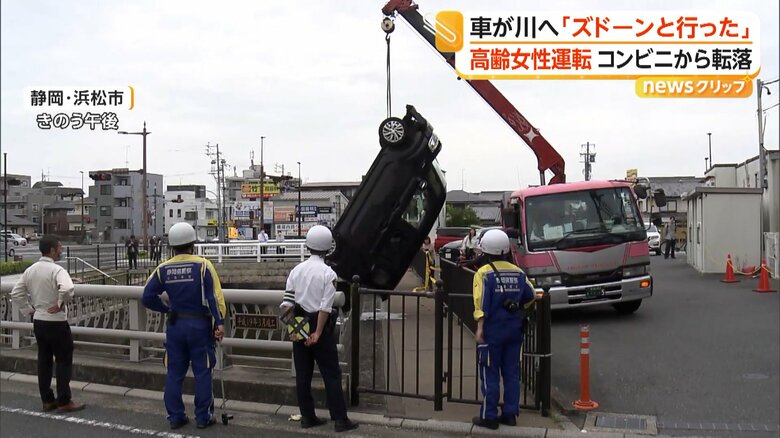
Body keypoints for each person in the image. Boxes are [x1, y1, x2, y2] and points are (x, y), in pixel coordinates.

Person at [142, 222, 227, 430]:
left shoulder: (163, 269)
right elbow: (214, 297)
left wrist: (166, 309)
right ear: (193, 244)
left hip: (175, 325)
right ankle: (203, 417)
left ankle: (176, 416)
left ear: (172, 246)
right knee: (203, 371)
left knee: (174, 372)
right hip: (199, 325)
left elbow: (147, 296)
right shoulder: (203, 266)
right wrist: (220, 322)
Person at [279, 225, 358, 433]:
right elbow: (325, 306)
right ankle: (340, 419)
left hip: (298, 322)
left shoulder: (296, 271)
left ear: (308, 245)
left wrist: (299, 330)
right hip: (319, 324)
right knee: (331, 373)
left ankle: (307, 416)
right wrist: (317, 333)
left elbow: (286, 305)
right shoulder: (328, 273)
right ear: (328, 248)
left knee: (303, 375)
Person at [10, 235, 86, 413]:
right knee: (63, 360)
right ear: (52, 250)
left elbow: (16, 293)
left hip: (39, 320)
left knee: (44, 360)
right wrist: (60, 303)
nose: (61, 250)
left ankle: (47, 400)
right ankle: (64, 401)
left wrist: (29, 310)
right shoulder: (57, 270)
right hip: (56, 322)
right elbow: (67, 289)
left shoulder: (31, 270)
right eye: (59, 247)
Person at [471, 229, 535, 430]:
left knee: (490, 372)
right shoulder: (518, 272)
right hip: (514, 330)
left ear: (485, 249)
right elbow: (531, 295)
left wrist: (480, 328)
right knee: (512, 373)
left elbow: (480, 303)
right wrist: (520, 309)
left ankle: (489, 416)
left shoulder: (483, 273)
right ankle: (510, 414)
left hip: (492, 330)